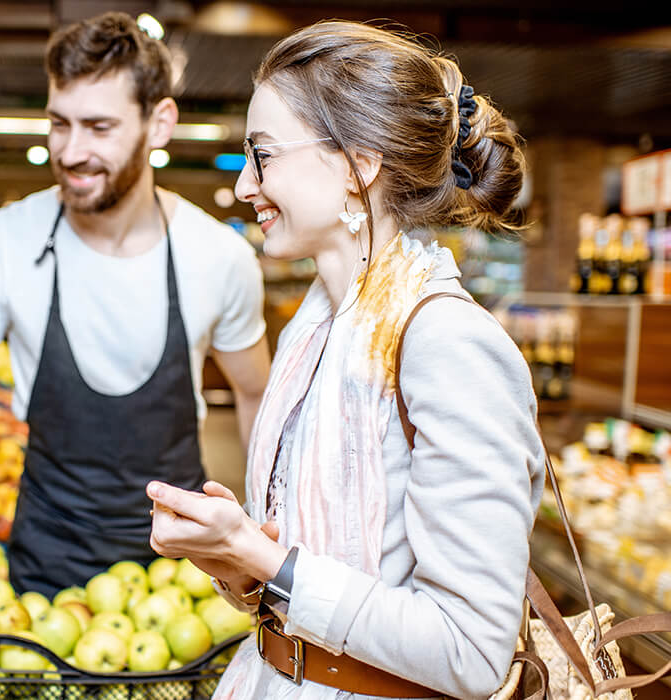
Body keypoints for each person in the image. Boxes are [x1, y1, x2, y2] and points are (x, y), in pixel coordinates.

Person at [147, 21, 545, 699]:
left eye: (263, 156)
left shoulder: (446, 341)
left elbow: (471, 651)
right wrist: (239, 559)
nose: (245, 186)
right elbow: (314, 569)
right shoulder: (319, 324)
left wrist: (263, 556)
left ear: (360, 165)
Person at [0, 11, 272, 630]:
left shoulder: (220, 257)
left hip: (187, 575)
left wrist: (262, 537)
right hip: (46, 563)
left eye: (99, 127)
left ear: (159, 124)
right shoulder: (2, 241)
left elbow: (256, 394)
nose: (72, 151)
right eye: (59, 124)